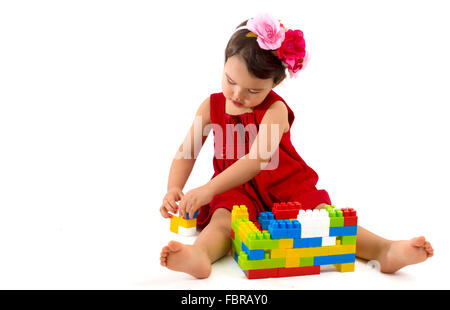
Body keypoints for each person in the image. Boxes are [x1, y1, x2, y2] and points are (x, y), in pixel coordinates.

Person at [159, 13, 434, 279]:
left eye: (254, 90)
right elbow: (188, 151)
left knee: (323, 217)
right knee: (223, 218)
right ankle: (200, 255)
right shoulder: (211, 106)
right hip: (232, 187)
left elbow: (257, 160)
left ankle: (384, 249)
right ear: (223, 65)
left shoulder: (274, 110)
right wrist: (174, 187)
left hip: (284, 183)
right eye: (230, 81)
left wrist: (208, 189)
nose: (238, 95)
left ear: (275, 83)